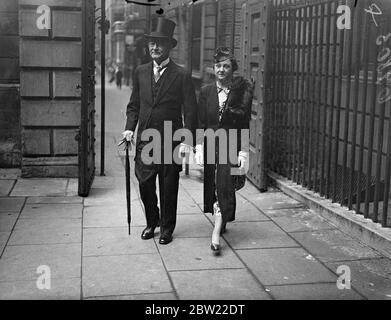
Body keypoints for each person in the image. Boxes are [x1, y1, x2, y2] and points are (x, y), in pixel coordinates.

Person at [122, 17, 198, 245]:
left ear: (168, 47)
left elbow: (191, 110)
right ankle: (152, 220)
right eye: (151, 43)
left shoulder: (182, 75)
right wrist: (129, 129)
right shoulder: (141, 72)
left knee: (168, 185)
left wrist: (187, 139)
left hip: (170, 140)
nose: (154, 47)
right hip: (146, 138)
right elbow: (134, 105)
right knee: (144, 181)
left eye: (160, 43)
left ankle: (166, 228)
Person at [195, 47, 254, 255]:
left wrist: (243, 151)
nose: (221, 69)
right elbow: (201, 121)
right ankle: (223, 218)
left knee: (223, 183)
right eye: (218, 65)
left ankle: (216, 233)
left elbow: (244, 123)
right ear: (214, 67)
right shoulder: (206, 91)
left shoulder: (240, 93)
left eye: (226, 66)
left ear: (232, 69)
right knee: (213, 185)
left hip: (230, 144)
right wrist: (199, 146)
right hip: (211, 143)